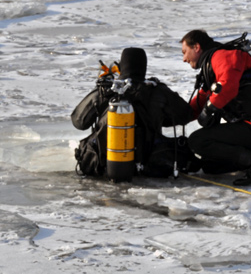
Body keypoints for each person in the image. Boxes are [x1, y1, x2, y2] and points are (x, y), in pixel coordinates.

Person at [180, 29, 251, 186]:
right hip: (250, 128)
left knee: (197, 141)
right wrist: (171, 117)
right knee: (210, 166)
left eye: (184, 52)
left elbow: (227, 87)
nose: (184, 59)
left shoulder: (223, 56)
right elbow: (200, 101)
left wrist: (209, 111)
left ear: (196, 47)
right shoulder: (212, 67)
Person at [72, 47, 194, 179]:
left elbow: (78, 122)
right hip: (151, 165)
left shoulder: (105, 91)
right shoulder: (158, 91)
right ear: (144, 67)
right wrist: (160, 117)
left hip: (105, 166)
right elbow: (186, 115)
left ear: (122, 65)